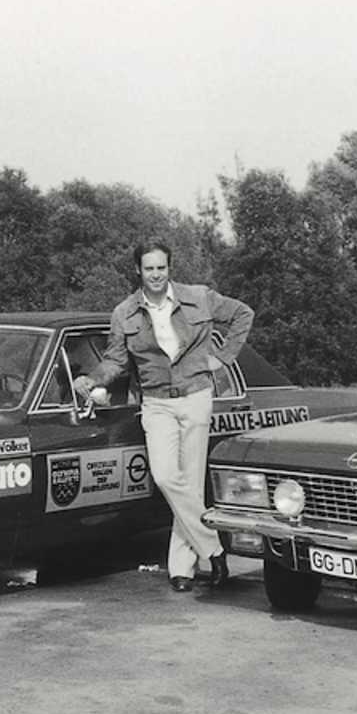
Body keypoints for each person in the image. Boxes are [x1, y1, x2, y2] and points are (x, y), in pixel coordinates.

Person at [73, 240, 254, 593]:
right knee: (167, 477)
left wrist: (222, 358)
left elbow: (243, 314)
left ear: (169, 268)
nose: (156, 275)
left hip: (196, 397)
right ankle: (213, 548)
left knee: (188, 479)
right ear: (137, 271)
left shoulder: (198, 297)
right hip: (156, 403)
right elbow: (115, 360)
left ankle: (181, 568)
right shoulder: (124, 313)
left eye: (162, 268)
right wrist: (92, 378)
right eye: (149, 269)